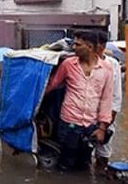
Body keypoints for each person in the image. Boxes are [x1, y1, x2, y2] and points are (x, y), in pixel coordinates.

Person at [45, 30, 113, 171]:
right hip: (68, 122)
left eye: (78, 44)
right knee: (65, 164)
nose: (74, 48)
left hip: (90, 126)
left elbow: (106, 100)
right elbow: (52, 85)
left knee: (84, 165)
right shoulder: (68, 65)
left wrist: (102, 128)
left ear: (89, 47)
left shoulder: (106, 69)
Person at [95, 31, 123, 171]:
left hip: (106, 115)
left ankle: (100, 174)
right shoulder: (80, 62)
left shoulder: (113, 64)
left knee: (104, 150)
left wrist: (109, 119)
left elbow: (116, 95)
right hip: (85, 114)